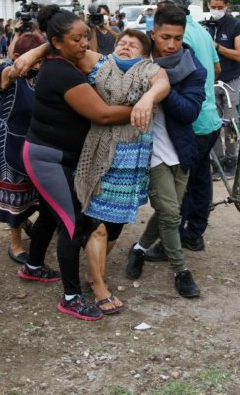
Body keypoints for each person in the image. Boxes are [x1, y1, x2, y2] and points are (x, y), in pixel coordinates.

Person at [21, 5, 154, 321]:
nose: (85, 44)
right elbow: (103, 114)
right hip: (47, 159)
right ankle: (70, 297)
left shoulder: (62, 61)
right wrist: (140, 108)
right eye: (77, 40)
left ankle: (33, 266)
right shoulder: (61, 72)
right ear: (57, 42)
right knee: (73, 224)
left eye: (85, 37)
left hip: (56, 156)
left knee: (52, 216)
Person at [73, 30, 170, 314]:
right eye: (121, 43)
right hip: (102, 153)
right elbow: (68, 50)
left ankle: (95, 272)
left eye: (133, 45)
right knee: (98, 225)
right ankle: (99, 286)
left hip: (133, 159)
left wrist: (147, 98)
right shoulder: (101, 65)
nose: (125, 47)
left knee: (115, 225)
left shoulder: (151, 70)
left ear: (144, 53)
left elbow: (162, 83)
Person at [124, 4, 206, 298]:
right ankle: (181, 272)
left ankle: (139, 248)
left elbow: (188, 113)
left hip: (180, 148)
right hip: (146, 149)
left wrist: (159, 87)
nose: (172, 45)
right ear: (153, 33)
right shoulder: (135, 59)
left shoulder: (193, 68)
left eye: (178, 38)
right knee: (171, 213)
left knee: (165, 212)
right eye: (165, 37)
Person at [156, 0, 222, 254]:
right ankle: (195, 233)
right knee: (200, 178)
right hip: (210, 117)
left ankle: (173, 240)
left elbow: (166, 81)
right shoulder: (202, 32)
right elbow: (216, 68)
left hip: (190, 120)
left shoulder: (179, 36)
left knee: (179, 184)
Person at [0, 32, 44, 264]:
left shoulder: (38, 76)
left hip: (32, 142)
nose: (38, 65)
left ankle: (27, 222)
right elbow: (12, 71)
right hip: (7, 145)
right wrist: (26, 59)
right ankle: (16, 244)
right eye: (35, 60)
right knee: (14, 197)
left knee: (36, 195)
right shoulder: (6, 73)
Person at [207, 0, 240, 178]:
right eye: (213, 6)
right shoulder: (205, 26)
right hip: (210, 83)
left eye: (220, 7)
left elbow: (239, 54)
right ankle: (217, 162)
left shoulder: (235, 26)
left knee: (231, 124)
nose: (216, 10)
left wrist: (217, 47)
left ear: (227, 6)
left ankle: (232, 160)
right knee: (213, 124)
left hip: (230, 81)